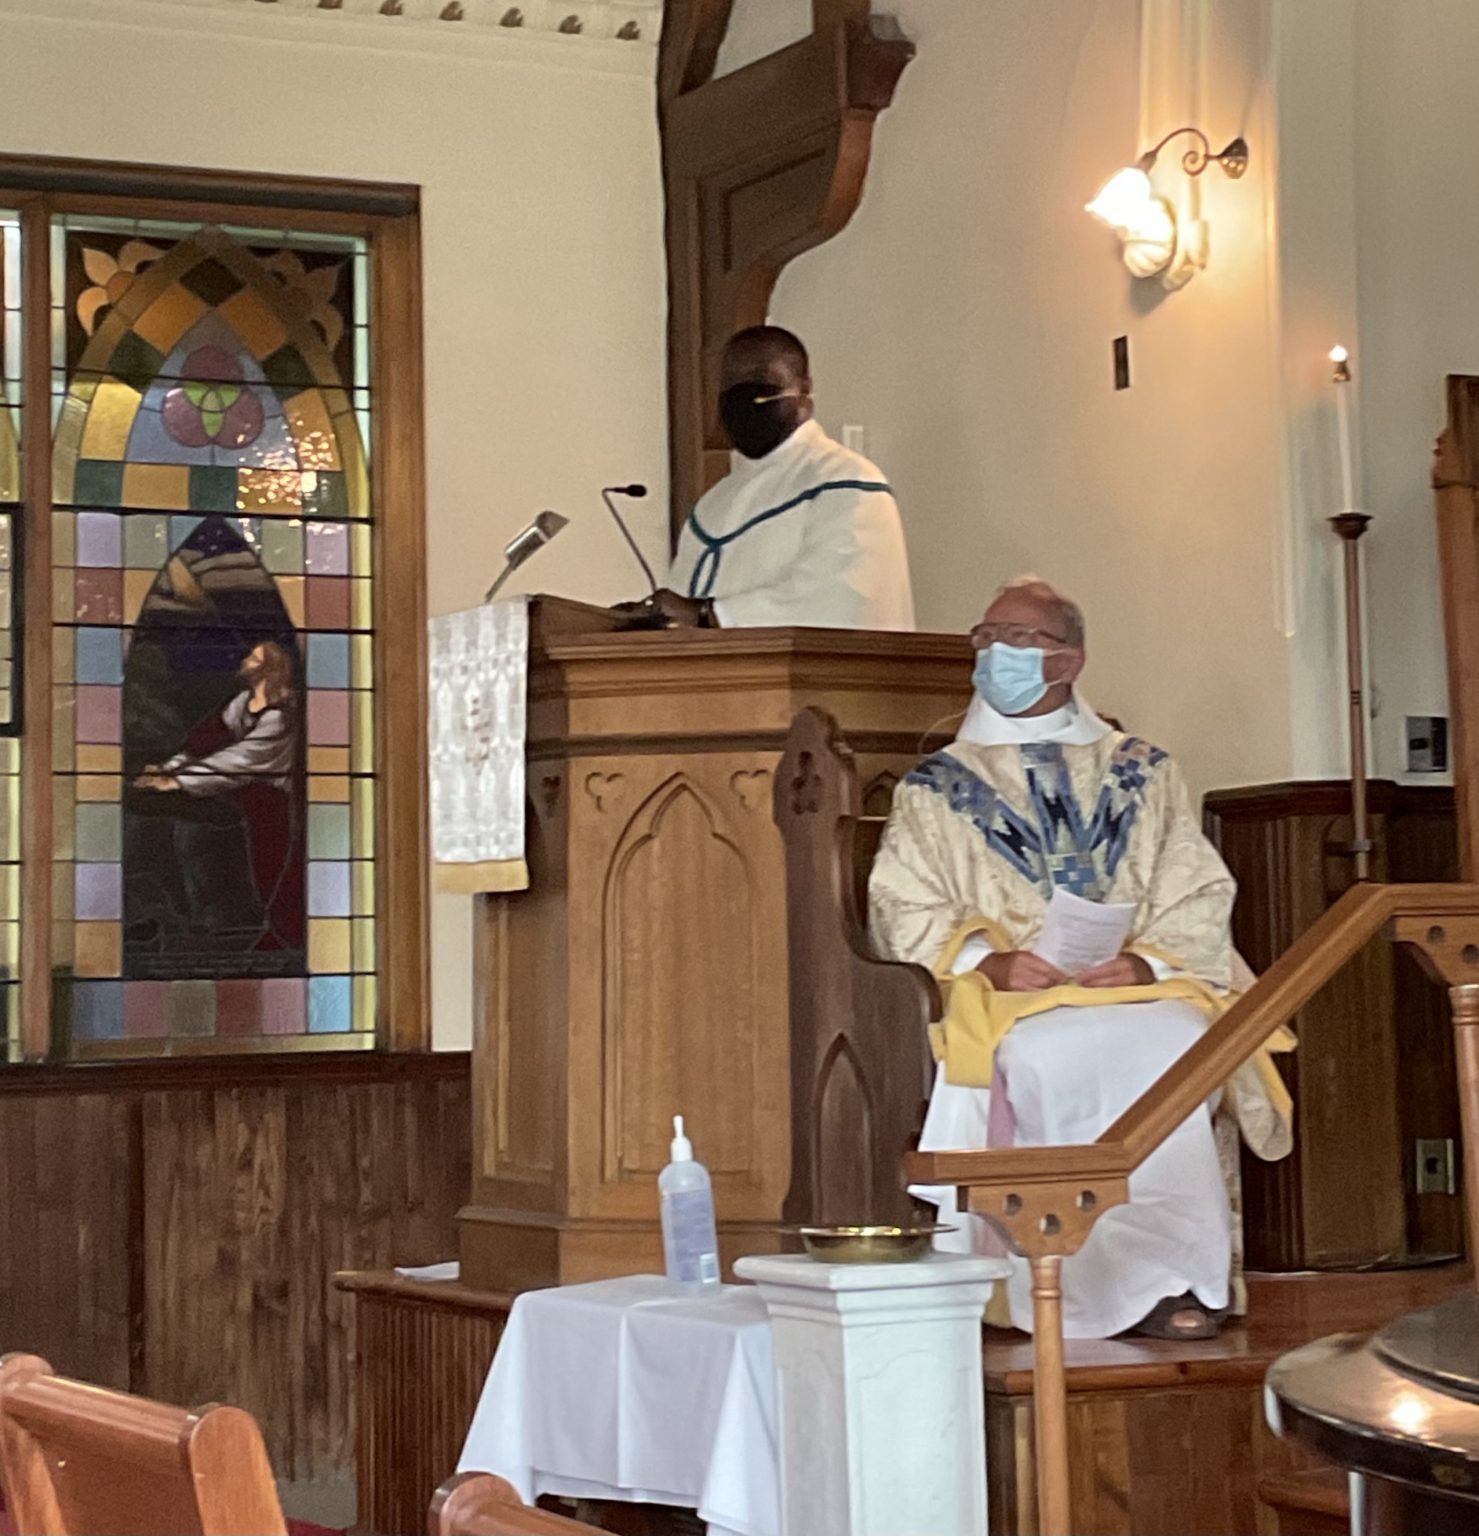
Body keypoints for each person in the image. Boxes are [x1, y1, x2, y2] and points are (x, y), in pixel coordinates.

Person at [867, 576, 1292, 1340]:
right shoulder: (933, 787)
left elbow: (1192, 886)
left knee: (1179, 1047)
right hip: (1010, 1003)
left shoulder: (1142, 770)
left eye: (1018, 639)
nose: (994, 652)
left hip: (1128, 989)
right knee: (1049, 1057)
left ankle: (1172, 1279)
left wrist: (1147, 966)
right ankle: (1045, 1282)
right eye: (984, 637)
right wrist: (986, 962)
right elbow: (901, 901)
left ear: (1068, 661)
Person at [651, 326, 914, 629]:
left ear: (804, 390)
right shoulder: (713, 504)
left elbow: (837, 598)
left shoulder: (847, 482)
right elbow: (679, 613)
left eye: (762, 385)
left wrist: (711, 615)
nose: (745, 402)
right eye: (731, 388)